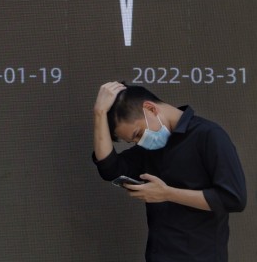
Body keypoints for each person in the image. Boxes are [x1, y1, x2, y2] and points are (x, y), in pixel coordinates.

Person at [92, 81, 247, 261]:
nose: (140, 142)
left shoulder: (208, 135)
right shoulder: (149, 148)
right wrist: (99, 113)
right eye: (133, 141)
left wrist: (167, 194)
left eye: (138, 134)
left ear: (150, 108)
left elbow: (233, 198)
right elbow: (110, 169)